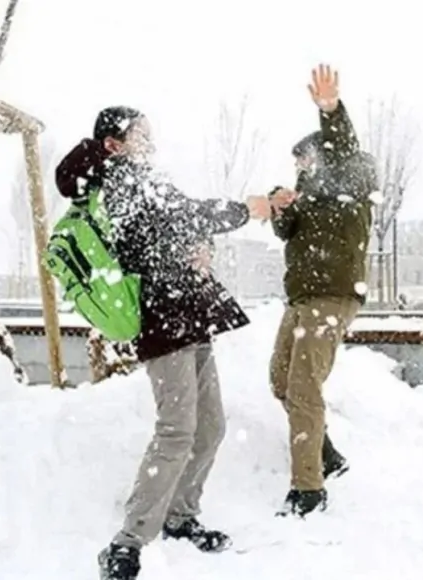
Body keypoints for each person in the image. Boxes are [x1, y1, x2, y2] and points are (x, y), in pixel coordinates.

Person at [54, 106, 290, 580]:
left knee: (211, 426)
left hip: (189, 313)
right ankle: (128, 541)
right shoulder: (119, 181)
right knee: (177, 430)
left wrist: (204, 249)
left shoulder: (142, 177)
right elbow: (183, 218)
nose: (149, 139)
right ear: (113, 143)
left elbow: (181, 228)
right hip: (163, 320)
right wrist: (249, 208)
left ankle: (181, 516)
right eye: (139, 132)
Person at [266, 64, 377, 518]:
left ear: (323, 155)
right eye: (297, 164)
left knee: (304, 387)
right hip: (302, 299)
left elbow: (344, 147)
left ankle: (308, 489)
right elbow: (285, 230)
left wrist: (330, 110)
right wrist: (279, 204)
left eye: (305, 160)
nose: (300, 168)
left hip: (332, 296)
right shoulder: (308, 195)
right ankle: (326, 453)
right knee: (280, 380)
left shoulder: (352, 177)